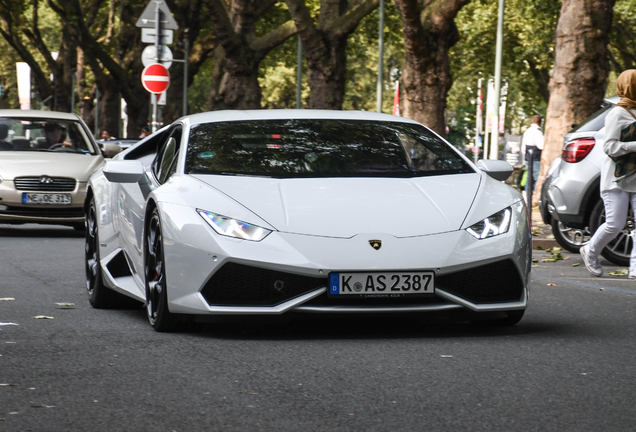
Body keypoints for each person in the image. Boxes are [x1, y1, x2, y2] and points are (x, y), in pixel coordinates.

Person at [580, 69, 636, 278]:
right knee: (615, 223)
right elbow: (610, 147)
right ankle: (589, 250)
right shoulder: (617, 114)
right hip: (617, 178)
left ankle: (634, 269)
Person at [520, 114, 544, 199]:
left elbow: (523, 147)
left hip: (527, 158)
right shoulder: (538, 132)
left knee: (528, 178)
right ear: (540, 123)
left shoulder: (527, 131)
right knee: (536, 178)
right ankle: (534, 196)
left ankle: (527, 196)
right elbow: (541, 146)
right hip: (536, 158)